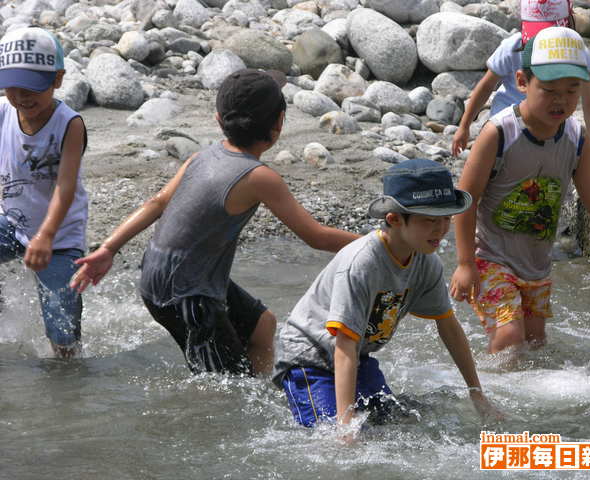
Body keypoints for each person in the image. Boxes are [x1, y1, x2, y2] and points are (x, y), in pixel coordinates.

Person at [70, 69, 359, 376]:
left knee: (263, 326)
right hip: (187, 296)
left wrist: (109, 249)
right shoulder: (259, 177)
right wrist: (379, 239)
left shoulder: (202, 156)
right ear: (279, 123)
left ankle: (261, 387)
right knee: (226, 386)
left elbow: (155, 203)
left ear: (218, 120)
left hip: (159, 275)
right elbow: (316, 236)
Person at [449, 27, 590, 355]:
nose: (561, 100)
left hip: (536, 265)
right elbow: (465, 199)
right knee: (509, 339)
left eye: (571, 90)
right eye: (549, 90)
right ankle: (483, 399)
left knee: (535, 345)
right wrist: (465, 262)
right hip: (490, 258)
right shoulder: (499, 133)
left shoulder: (574, 137)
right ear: (522, 82)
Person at [273, 158, 498, 432]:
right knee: (333, 433)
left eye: (446, 219)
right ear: (393, 218)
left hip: (357, 356)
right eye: (430, 221)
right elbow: (344, 346)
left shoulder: (426, 262)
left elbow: (448, 326)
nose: (441, 231)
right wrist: (346, 429)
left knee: (397, 422)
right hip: (310, 358)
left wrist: (476, 392)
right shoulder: (361, 264)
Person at [0, 27, 88, 358]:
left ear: (58, 79)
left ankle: (68, 377)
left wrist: (45, 236)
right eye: (13, 88)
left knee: (62, 330)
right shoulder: (3, 112)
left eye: (31, 89)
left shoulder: (70, 124)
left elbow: (66, 187)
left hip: (60, 236)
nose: (21, 98)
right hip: (12, 222)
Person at [451, 0, 590, 173]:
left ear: (568, 23)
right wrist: (464, 126)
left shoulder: (575, 50)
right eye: (537, 32)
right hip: (508, 126)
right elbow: (485, 87)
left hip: (550, 123)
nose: (540, 40)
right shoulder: (513, 47)